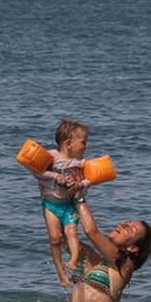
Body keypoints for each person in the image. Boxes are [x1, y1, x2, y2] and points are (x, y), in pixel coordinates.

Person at [68, 197, 151, 302]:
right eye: (127, 223)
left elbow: (91, 231)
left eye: (130, 229)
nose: (123, 225)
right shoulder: (94, 258)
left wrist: (79, 198)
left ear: (132, 248)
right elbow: (63, 239)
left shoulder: (125, 265)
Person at [32, 119, 91, 287]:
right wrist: (55, 176)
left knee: (72, 233)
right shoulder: (51, 157)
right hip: (51, 205)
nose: (86, 147)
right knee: (55, 239)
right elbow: (35, 172)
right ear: (68, 144)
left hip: (69, 205)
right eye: (83, 142)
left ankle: (73, 262)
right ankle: (61, 275)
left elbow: (91, 180)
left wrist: (81, 184)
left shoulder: (81, 163)